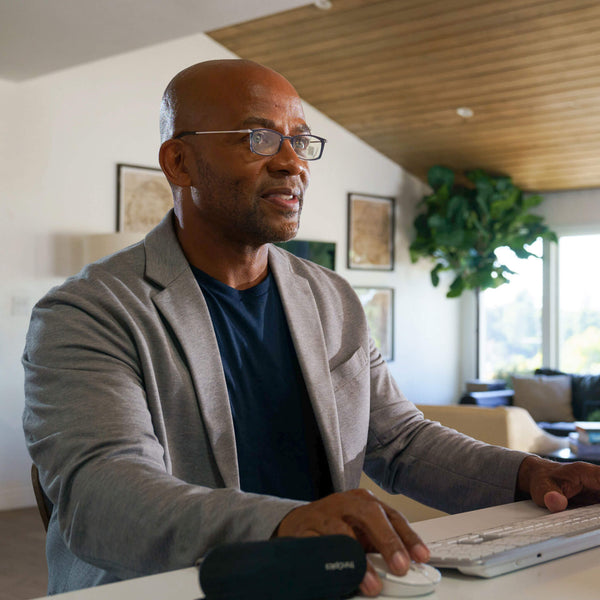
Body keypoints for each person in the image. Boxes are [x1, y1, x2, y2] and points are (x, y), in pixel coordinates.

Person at [22, 59, 600, 597]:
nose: (292, 162)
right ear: (179, 162)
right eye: (258, 138)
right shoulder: (88, 313)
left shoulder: (331, 298)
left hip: (326, 582)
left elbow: (400, 441)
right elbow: (101, 492)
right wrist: (283, 524)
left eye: (298, 140)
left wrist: (530, 474)